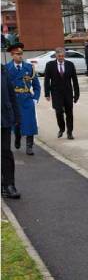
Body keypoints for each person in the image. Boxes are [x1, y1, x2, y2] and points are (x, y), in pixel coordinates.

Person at [6, 43, 41, 155]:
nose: (20, 56)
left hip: (26, 99)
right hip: (14, 101)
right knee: (16, 124)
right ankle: (17, 137)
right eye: (17, 54)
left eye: (21, 54)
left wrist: (35, 98)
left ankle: (29, 146)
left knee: (30, 122)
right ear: (12, 55)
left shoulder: (29, 67)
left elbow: (36, 86)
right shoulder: (6, 68)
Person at [44, 47, 80, 139]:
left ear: (64, 55)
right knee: (59, 112)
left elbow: (75, 80)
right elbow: (47, 80)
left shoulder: (70, 65)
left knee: (69, 114)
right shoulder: (50, 65)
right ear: (56, 55)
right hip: (56, 93)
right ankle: (62, 128)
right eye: (59, 56)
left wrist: (76, 94)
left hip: (68, 93)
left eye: (62, 56)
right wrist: (47, 93)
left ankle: (69, 132)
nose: (61, 57)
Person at [2, 64, 21, 199]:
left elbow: (11, 95)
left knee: (6, 152)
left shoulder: (3, 71)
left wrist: (17, 116)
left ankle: (9, 185)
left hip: (4, 119)